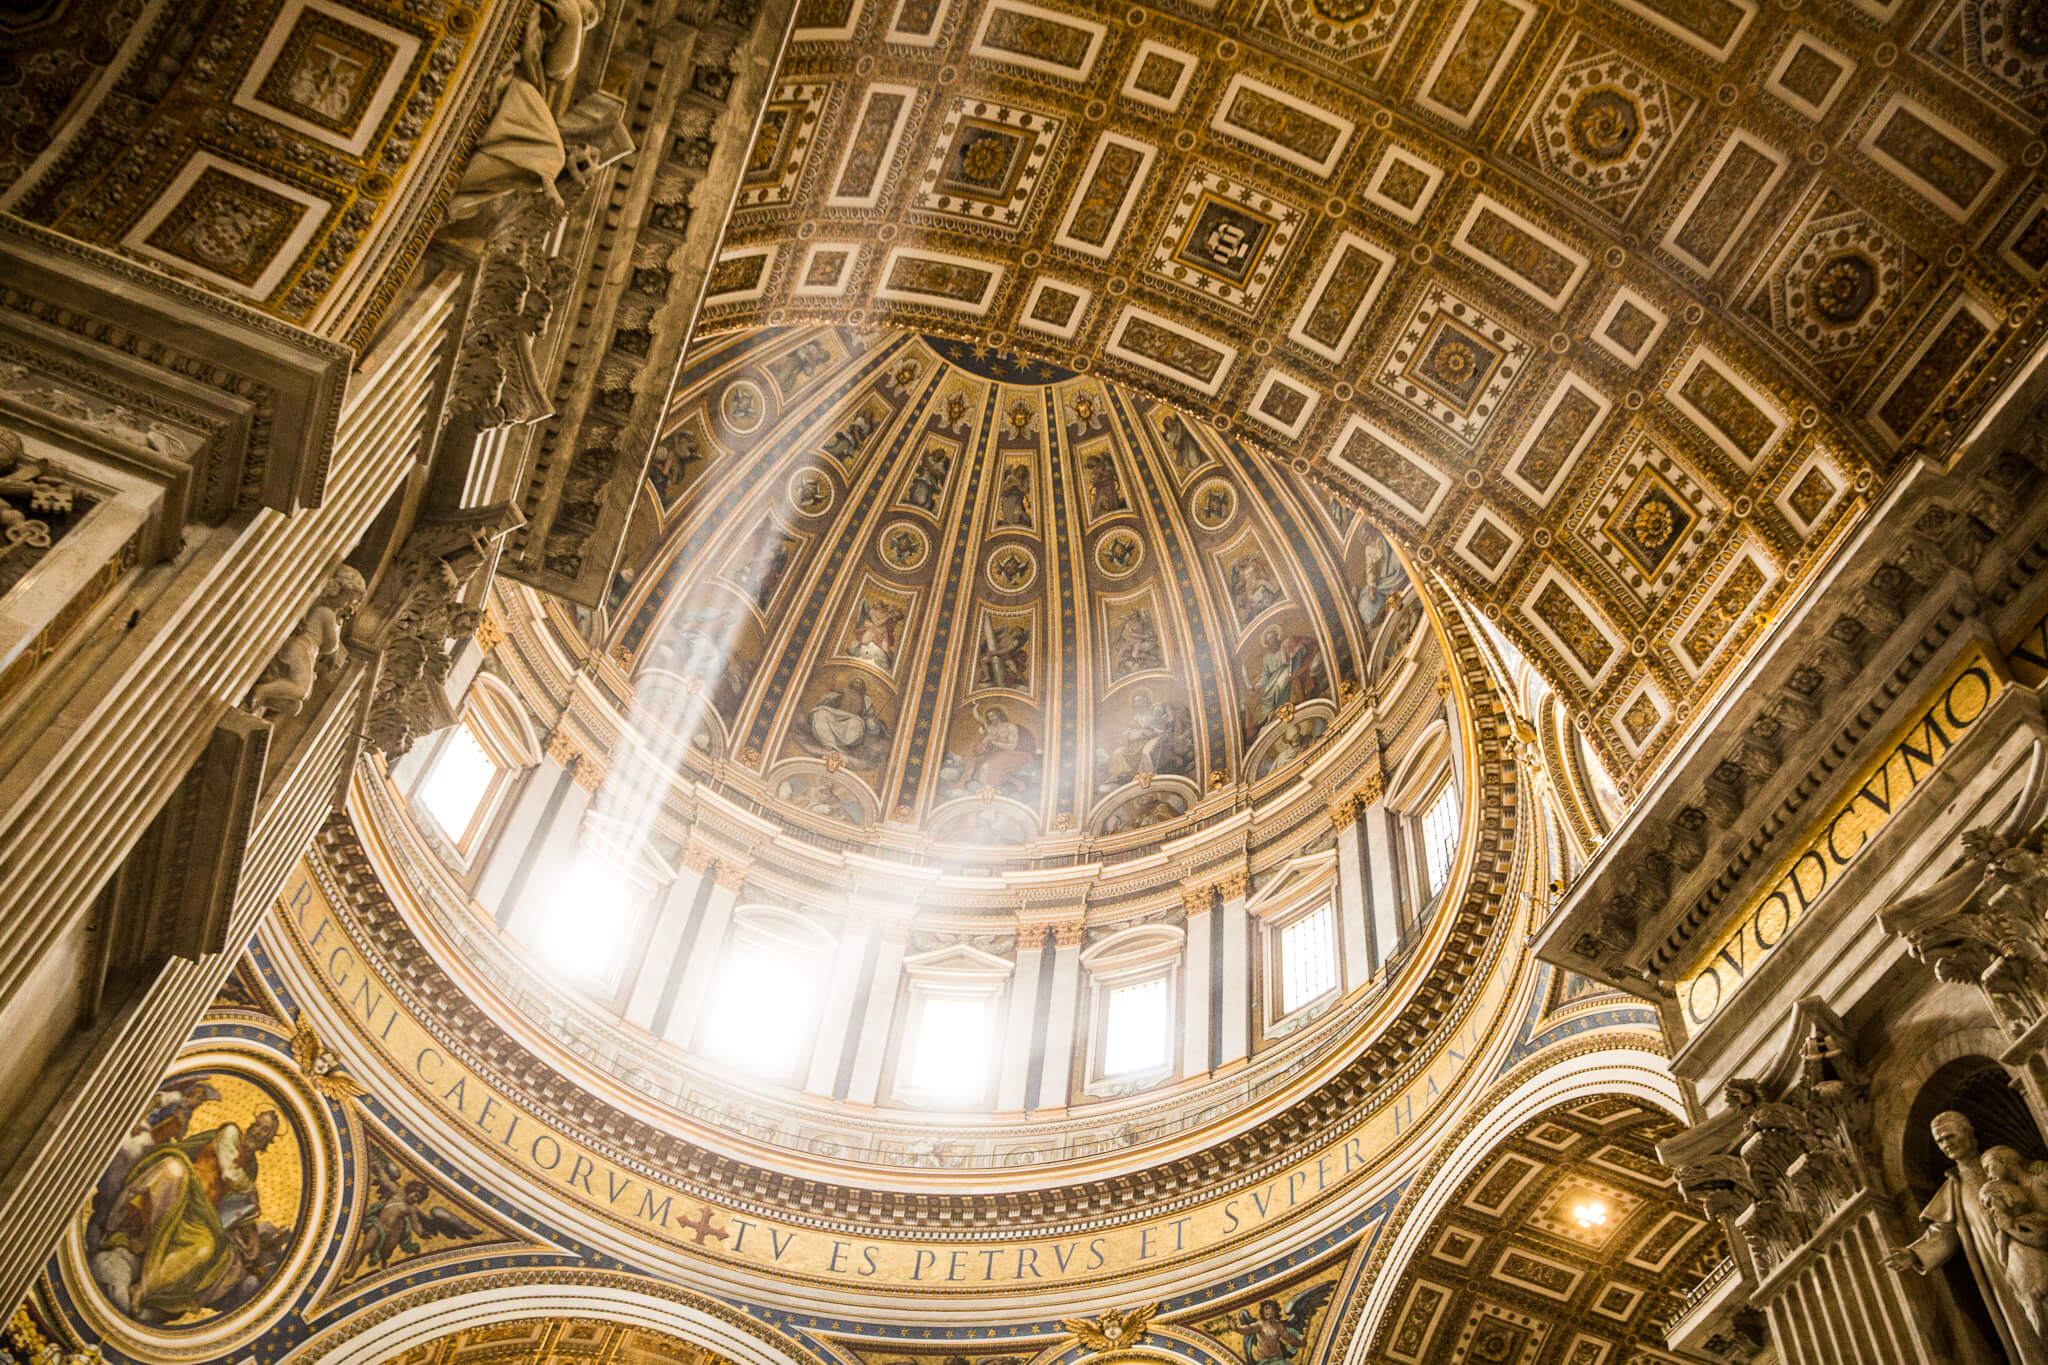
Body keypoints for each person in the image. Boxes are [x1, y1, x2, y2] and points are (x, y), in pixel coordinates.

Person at [1887, 1111, 2048, 1362]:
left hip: (2029, 1245)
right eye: (1940, 1141)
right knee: (2023, 1321)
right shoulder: (1954, 1186)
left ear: (1968, 1132)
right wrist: (1914, 1253)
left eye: (1950, 1136)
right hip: (1993, 1262)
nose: (1946, 1144)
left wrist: (2035, 1169)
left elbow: (2025, 1177)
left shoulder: (1996, 1161)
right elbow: (1945, 1232)